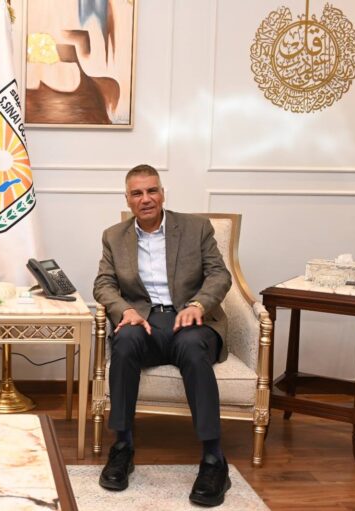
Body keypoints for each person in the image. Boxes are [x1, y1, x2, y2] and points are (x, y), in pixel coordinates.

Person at [93, 164, 232, 506]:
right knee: (124, 341)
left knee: (192, 348)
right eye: (137, 193)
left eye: (152, 190)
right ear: (128, 199)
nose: (146, 199)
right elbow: (104, 284)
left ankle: (214, 459)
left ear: (162, 193)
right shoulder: (114, 236)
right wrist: (124, 310)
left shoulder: (197, 228)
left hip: (191, 321)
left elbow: (219, 274)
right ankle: (122, 447)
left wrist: (199, 304)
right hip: (146, 322)